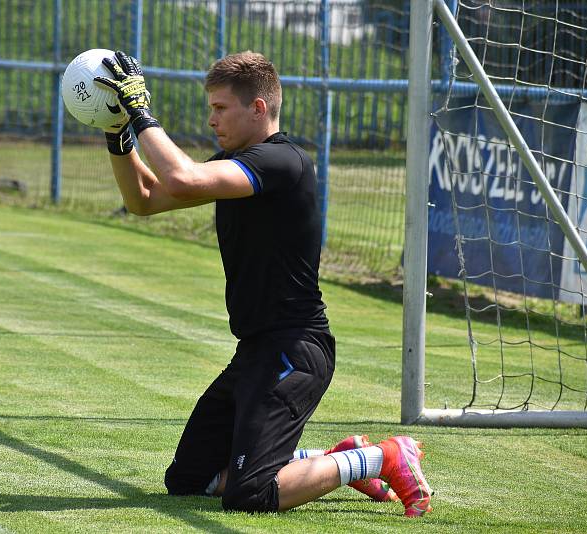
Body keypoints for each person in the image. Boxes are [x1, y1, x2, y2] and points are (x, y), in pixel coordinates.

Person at [94, 50, 432, 516]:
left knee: (249, 495)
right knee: (189, 479)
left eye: (219, 108)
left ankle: (384, 456)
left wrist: (141, 112)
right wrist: (118, 135)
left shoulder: (282, 162)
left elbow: (183, 178)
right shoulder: (236, 163)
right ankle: (332, 461)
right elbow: (145, 199)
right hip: (256, 351)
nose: (211, 119)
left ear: (257, 108)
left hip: (294, 351)